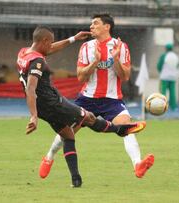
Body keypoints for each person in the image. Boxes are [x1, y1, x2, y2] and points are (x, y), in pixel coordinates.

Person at [17, 26, 146, 187]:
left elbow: (48, 50)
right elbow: (31, 87)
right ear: (44, 41)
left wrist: (73, 38)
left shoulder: (24, 53)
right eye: (50, 42)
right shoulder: (38, 61)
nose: (52, 45)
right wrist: (33, 116)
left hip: (44, 108)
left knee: (68, 135)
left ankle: (75, 179)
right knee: (88, 118)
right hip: (55, 103)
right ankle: (120, 129)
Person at [39, 14, 154, 179]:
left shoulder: (121, 46)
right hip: (87, 99)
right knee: (68, 131)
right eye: (91, 24)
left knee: (126, 127)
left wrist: (115, 59)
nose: (91, 26)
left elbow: (126, 75)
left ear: (107, 27)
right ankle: (49, 157)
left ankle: (138, 164)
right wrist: (95, 62)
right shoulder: (86, 47)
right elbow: (80, 77)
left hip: (112, 100)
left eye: (95, 23)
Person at [157, 43, 179, 111]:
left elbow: (159, 66)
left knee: (163, 92)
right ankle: (173, 107)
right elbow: (177, 66)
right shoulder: (176, 56)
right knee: (172, 93)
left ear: (166, 49)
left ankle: (162, 106)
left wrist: (161, 71)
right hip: (173, 77)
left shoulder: (164, 56)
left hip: (164, 77)